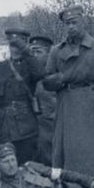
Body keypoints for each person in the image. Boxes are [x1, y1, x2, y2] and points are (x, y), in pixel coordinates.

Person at [43, 6, 94, 186]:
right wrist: (61, 79)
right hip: (66, 105)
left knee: (93, 149)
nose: (71, 27)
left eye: (74, 22)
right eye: (67, 24)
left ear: (83, 22)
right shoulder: (56, 51)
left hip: (91, 108)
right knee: (66, 149)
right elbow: (47, 81)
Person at [0, 28, 46, 165]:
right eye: (12, 45)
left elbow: (41, 74)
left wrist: (26, 51)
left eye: (18, 44)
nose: (15, 49)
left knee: (28, 164)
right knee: (5, 165)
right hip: (3, 127)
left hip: (26, 127)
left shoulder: (31, 66)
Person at [29, 35, 57, 166]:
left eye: (38, 52)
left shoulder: (56, 76)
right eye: (32, 51)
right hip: (30, 130)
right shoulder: (25, 74)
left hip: (51, 129)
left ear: (49, 54)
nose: (34, 55)